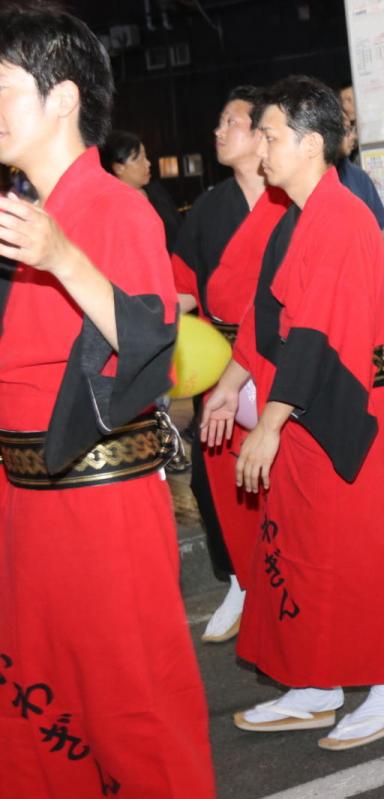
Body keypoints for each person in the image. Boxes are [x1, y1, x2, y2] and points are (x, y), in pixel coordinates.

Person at [0, 6, 215, 796]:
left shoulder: (117, 209)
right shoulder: (17, 210)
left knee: (132, 703)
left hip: (101, 500)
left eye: (3, 87)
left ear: (61, 99)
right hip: (20, 502)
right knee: (32, 699)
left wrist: (62, 255)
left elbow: (149, 347)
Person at [200, 75, 384, 751]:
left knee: (355, 557)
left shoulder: (342, 216)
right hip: (300, 408)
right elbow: (268, 325)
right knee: (305, 553)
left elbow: (315, 331)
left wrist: (267, 421)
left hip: (340, 413)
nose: (261, 145)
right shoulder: (294, 216)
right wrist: (232, 383)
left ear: (312, 143)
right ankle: (317, 684)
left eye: (271, 134)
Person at [172, 85, 292, 644]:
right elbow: (183, 290)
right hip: (221, 365)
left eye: (233, 122)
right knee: (213, 477)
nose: (220, 131)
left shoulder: (291, 198)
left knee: (284, 478)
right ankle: (242, 580)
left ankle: (285, 580)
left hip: (277, 361)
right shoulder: (207, 212)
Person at [100, 129, 183, 250]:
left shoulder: (156, 191)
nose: (148, 163)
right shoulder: (112, 207)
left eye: (146, 157)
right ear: (119, 168)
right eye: (139, 159)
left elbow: (179, 230)